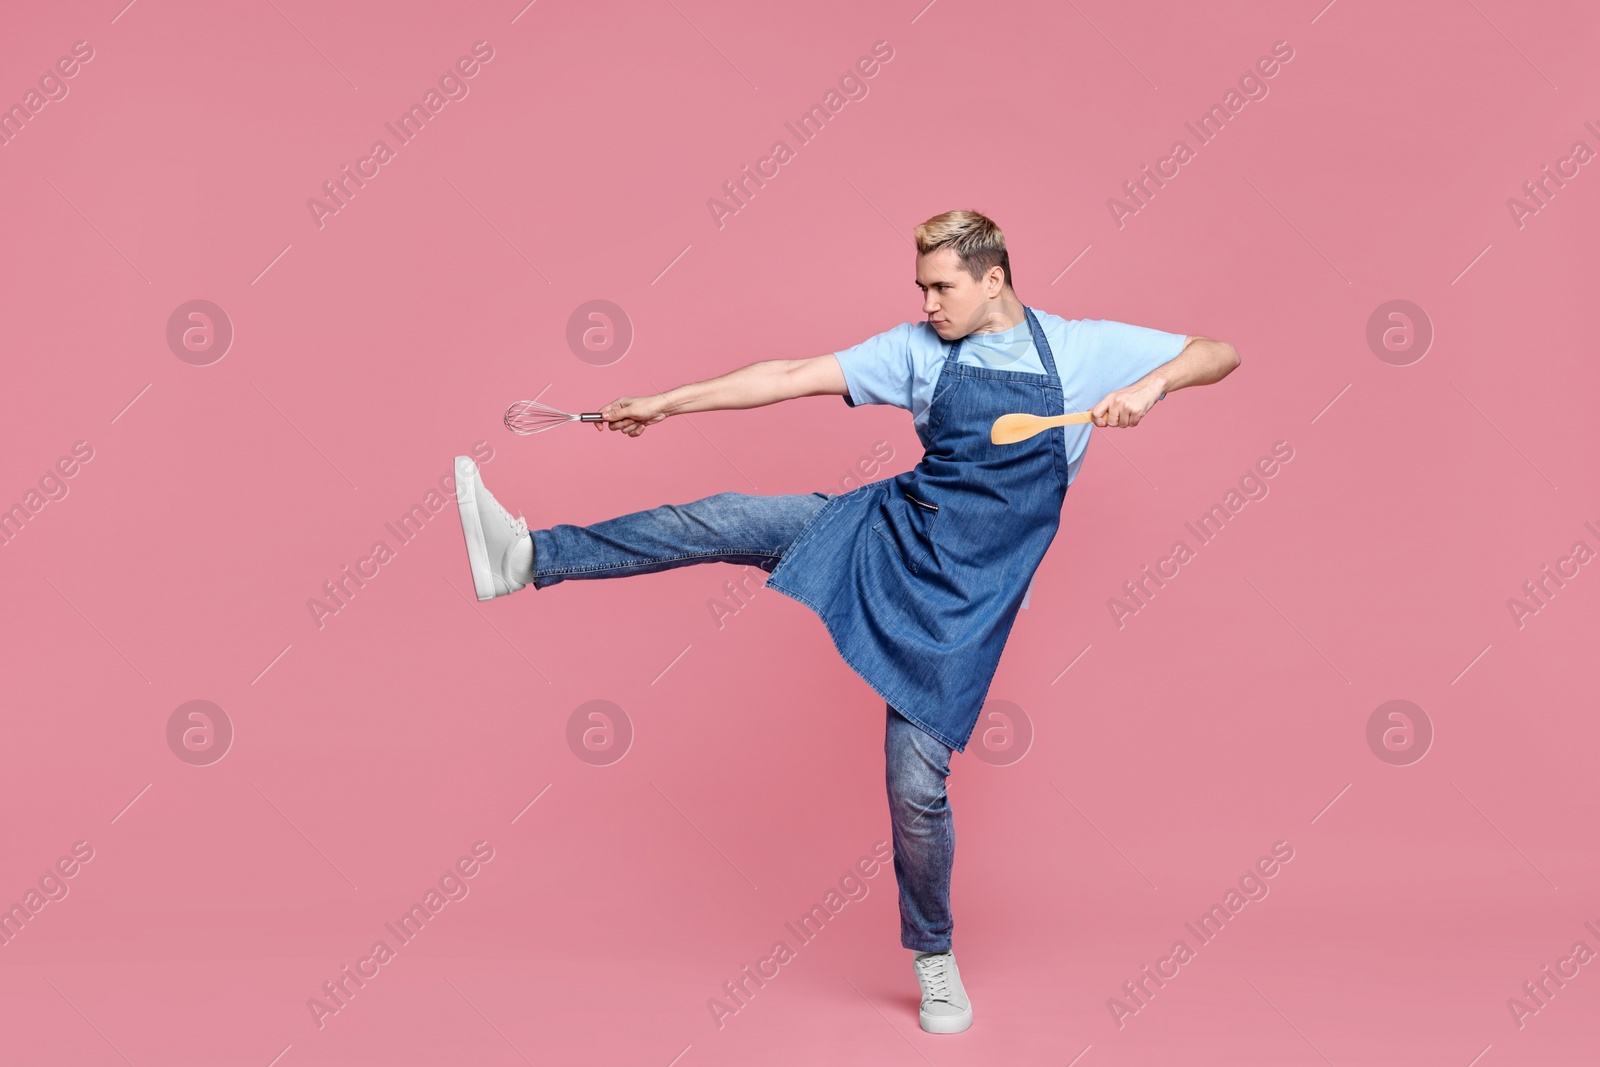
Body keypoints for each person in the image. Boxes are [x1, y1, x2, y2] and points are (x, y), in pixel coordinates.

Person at [453, 210, 1240, 1034]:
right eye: (921, 287)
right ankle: (529, 559)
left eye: (943, 287)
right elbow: (789, 373)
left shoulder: (1077, 351)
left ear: (994, 278)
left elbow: (1218, 352)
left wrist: (1150, 385)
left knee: (914, 787)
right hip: (891, 532)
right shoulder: (915, 352)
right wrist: (666, 403)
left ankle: (933, 956)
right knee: (724, 517)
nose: (929, 303)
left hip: (967, 602)